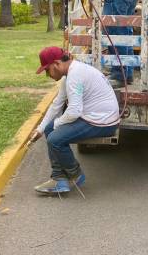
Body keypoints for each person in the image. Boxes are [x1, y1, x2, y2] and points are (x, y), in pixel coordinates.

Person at [28, 46, 120, 194]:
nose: (47, 75)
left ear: (57, 63)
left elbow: (74, 112)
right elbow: (56, 104)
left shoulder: (74, 76)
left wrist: (56, 125)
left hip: (102, 121)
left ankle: (75, 175)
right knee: (50, 129)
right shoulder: (70, 74)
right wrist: (40, 128)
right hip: (95, 116)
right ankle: (59, 179)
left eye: (47, 70)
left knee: (54, 139)